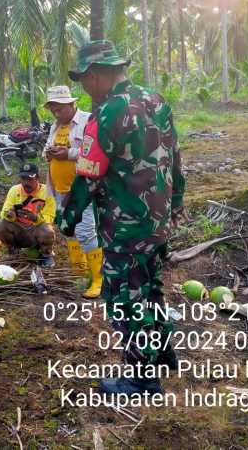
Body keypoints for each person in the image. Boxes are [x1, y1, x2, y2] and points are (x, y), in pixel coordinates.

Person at [58, 40, 186, 396]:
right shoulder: (157, 100)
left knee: (124, 300)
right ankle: (163, 353)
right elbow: (175, 158)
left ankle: (142, 378)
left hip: (124, 227)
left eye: (84, 79)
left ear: (98, 75)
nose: (84, 87)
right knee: (151, 288)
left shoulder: (107, 113)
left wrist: (68, 219)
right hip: (157, 221)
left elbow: (88, 174)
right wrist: (177, 203)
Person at [43, 85, 103, 298]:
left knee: (86, 231)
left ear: (71, 104)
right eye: (53, 110)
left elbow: (96, 151)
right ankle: (79, 273)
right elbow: (47, 148)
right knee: (69, 227)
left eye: (59, 109)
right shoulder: (56, 126)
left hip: (81, 189)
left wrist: (67, 153)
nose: (56, 114)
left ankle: (98, 279)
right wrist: (49, 153)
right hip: (59, 188)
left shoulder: (87, 121)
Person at [0, 163, 56, 267]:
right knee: (0, 224)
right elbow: (3, 212)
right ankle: (13, 250)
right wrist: (10, 214)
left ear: (37, 178)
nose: (26, 182)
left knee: (47, 230)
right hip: (19, 230)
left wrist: (35, 218)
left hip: (37, 231)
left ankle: (46, 254)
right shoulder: (14, 190)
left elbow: (50, 217)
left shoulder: (48, 192)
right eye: (23, 178)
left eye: (30, 179)